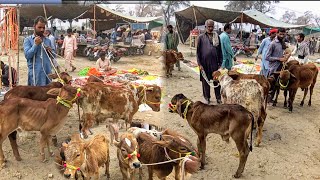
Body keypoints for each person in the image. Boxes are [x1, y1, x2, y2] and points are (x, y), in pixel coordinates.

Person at [196, 19, 222, 105]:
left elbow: (220, 51)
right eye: (209, 26)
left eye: (212, 26)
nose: (210, 28)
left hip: (215, 63)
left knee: (217, 81)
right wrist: (199, 64)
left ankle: (218, 98)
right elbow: (198, 53)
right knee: (205, 82)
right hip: (204, 64)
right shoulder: (201, 37)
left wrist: (220, 64)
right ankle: (207, 98)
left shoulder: (217, 37)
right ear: (205, 27)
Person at [23, 16, 52, 86]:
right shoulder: (28, 40)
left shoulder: (48, 40)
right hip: (35, 74)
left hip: (47, 73)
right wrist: (35, 44)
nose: (42, 30)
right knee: (35, 95)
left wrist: (50, 52)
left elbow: (52, 57)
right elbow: (27, 55)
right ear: (34, 26)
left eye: (43, 28)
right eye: (39, 27)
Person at [265, 28, 290, 102]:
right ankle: (268, 98)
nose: (282, 36)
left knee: (278, 84)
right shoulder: (273, 44)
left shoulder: (283, 43)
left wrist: (286, 55)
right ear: (277, 33)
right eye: (280, 34)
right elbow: (267, 57)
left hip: (281, 66)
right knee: (271, 84)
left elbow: (285, 52)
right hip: (273, 68)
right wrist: (279, 59)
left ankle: (273, 98)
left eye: (283, 34)